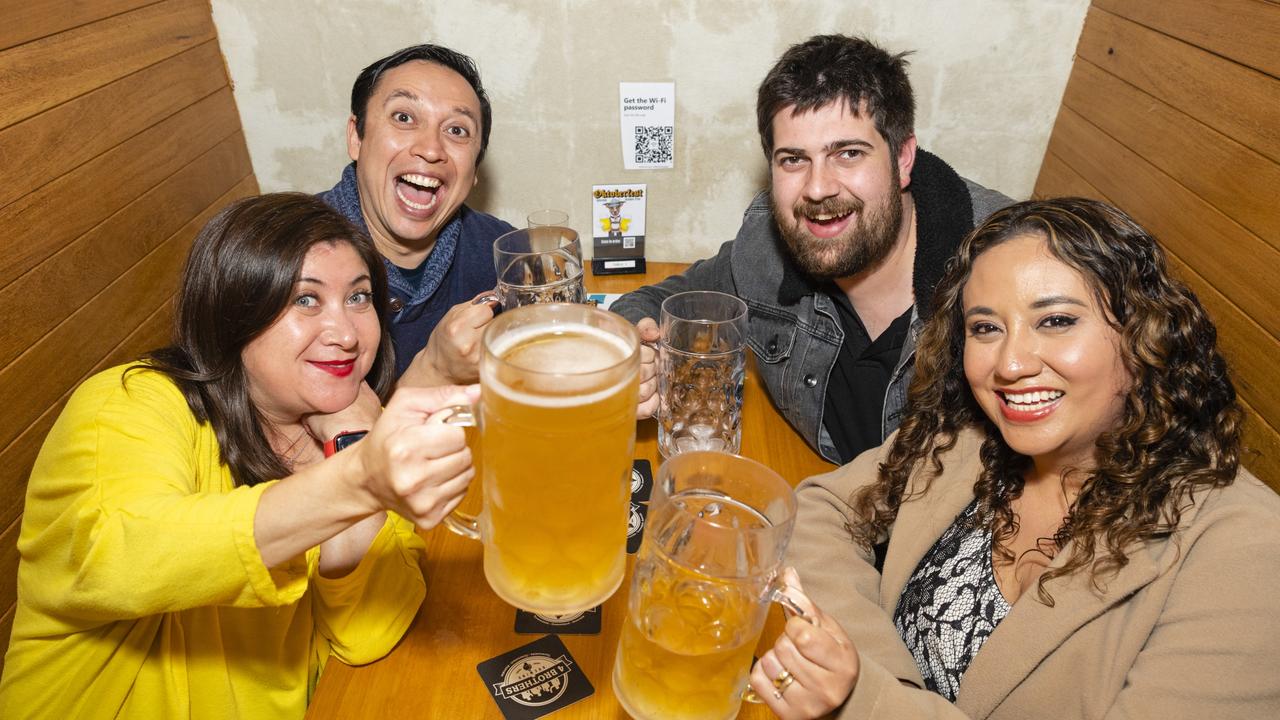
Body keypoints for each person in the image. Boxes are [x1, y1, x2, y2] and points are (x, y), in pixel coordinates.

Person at [747, 198, 1280, 719]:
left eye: (1056, 321)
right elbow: (819, 510)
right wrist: (873, 671)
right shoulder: (970, 438)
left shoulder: (1246, 552)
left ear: (1146, 333)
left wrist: (865, 697)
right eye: (986, 328)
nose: (1010, 364)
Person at [0, 194, 479, 718]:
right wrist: (354, 480)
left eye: (359, 298)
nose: (346, 334)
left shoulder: (346, 427)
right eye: (305, 300)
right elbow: (122, 553)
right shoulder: (126, 402)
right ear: (233, 310)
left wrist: (350, 445)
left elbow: (366, 637)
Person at [612, 34, 1011, 462]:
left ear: (903, 160)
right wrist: (637, 350)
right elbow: (654, 301)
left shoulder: (1009, 264)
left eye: (848, 153)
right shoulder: (766, 246)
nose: (818, 189)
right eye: (793, 160)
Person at [321, 44, 514, 386]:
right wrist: (433, 371)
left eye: (457, 130)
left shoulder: (503, 253)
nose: (430, 149)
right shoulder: (280, 257)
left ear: (474, 172)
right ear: (356, 137)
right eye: (404, 117)